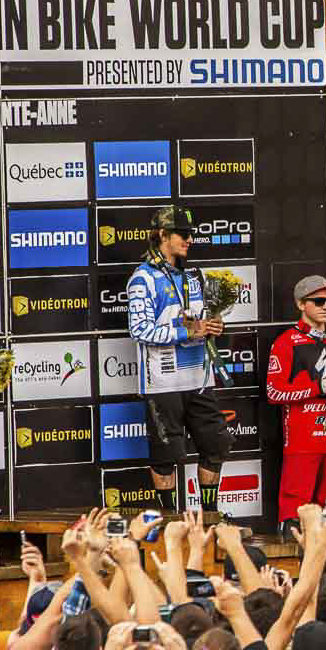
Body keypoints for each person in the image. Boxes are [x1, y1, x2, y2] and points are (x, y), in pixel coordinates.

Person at [126, 204, 233, 515]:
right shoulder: (143, 279)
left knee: (216, 445)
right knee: (167, 454)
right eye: (182, 234)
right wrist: (188, 331)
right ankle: (170, 519)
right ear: (162, 235)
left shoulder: (193, 276)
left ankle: (210, 515)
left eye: (191, 234)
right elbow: (139, 329)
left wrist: (212, 326)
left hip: (199, 379)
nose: (189, 240)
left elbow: (200, 320)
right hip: (163, 382)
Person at [266, 275, 326, 534]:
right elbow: (274, 391)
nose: (325, 306)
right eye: (318, 301)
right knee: (296, 516)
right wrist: (319, 387)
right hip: (302, 443)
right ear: (300, 304)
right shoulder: (287, 342)